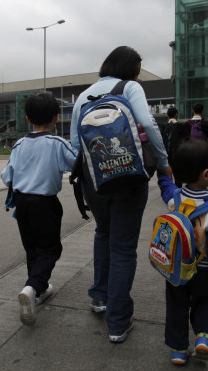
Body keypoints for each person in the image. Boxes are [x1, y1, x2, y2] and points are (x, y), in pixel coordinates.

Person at [70, 46, 170, 343]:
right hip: (127, 178)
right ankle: (118, 322)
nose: (139, 73)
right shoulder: (130, 87)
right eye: (138, 68)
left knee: (104, 233)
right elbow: (149, 123)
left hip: (94, 180)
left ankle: (99, 298)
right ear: (131, 69)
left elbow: (77, 143)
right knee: (124, 247)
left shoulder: (84, 96)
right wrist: (164, 163)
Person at [1, 92, 78, 326]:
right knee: (50, 249)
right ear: (56, 118)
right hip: (45, 204)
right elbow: (78, 164)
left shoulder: (19, 144)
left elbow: (7, 177)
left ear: (27, 119)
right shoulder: (57, 143)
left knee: (33, 248)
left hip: (22, 204)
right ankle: (32, 288)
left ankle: (39, 289)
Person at [157, 140, 208, 365]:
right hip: (203, 270)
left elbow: (165, 184)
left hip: (176, 269)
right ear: (207, 174)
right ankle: (202, 337)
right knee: (202, 302)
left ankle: (179, 350)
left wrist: (163, 170)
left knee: (177, 307)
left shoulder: (174, 198)